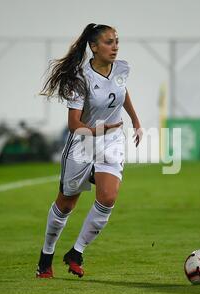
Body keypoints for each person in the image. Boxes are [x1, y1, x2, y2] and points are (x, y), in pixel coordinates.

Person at [36, 23, 142, 278]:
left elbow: (122, 91)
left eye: (116, 41)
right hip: (84, 141)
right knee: (66, 203)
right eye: (108, 42)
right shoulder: (80, 79)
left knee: (108, 197)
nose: (115, 46)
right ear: (93, 47)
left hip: (111, 140)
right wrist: (99, 130)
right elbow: (74, 124)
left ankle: (76, 252)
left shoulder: (122, 68)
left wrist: (136, 121)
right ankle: (46, 256)